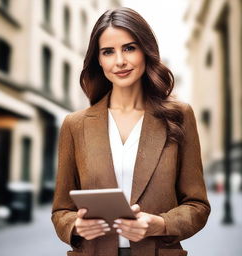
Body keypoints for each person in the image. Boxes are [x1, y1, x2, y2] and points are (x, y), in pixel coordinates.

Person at [52, 7, 210, 256]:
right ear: (98, 60)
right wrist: (75, 225)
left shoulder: (179, 115)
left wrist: (160, 224)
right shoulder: (75, 125)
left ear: (145, 51)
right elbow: (61, 211)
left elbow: (197, 206)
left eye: (129, 48)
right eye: (108, 52)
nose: (120, 61)